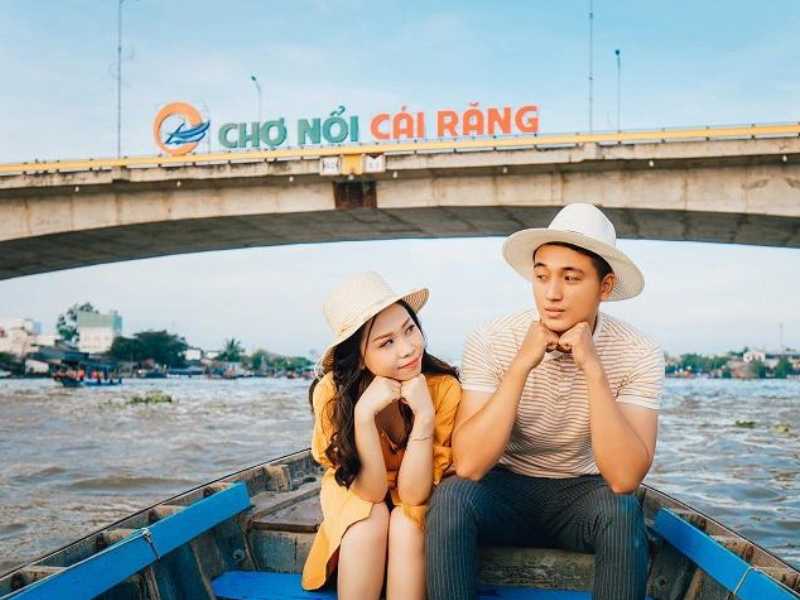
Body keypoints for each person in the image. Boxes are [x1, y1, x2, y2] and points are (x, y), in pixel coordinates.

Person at [426, 203, 665, 600]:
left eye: (571, 278)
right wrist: (521, 364)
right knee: (451, 499)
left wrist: (593, 369)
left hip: (583, 495)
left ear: (605, 287)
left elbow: (624, 478)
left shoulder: (638, 351)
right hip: (503, 489)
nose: (552, 294)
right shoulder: (492, 338)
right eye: (541, 277)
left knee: (623, 512)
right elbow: (468, 465)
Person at [301, 271, 461, 600]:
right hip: (357, 487)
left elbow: (414, 495)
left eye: (410, 329)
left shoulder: (443, 388)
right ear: (359, 357)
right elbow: (371, 491)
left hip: (418, 488)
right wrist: (363, 416)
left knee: (407, 525)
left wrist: (424, 417)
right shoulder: (332, 394)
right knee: (367, 521)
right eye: (387, 342)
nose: (408, 349)